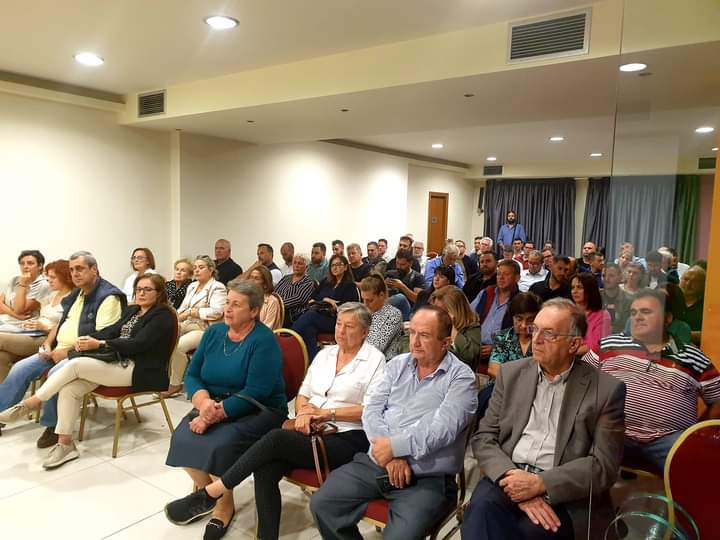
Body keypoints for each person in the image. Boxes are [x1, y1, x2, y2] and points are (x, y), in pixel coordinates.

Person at [164, 302, 385, 540]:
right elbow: (304, 392)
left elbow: (371, 409)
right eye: (339, 324)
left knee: (276, 438)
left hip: (346, 436)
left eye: (349, 326)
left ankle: (214, 491)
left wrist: (326, 414)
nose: (340, 330)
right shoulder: (326, 354)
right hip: (309, 428)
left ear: (364, 332)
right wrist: (303, 413)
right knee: (265, 468)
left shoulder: (375, 361)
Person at [463, 298, 626, 540]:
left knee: (532, 532)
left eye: (548, 334)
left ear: (574, 344)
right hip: (508, 474)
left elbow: (604, 465)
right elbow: (485, 437)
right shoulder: (511, 374)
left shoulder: (605, 390)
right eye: (535, 329)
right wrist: (513, 479)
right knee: (480, 512)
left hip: (563, 489)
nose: (536, 339)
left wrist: (541, 484)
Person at [310, 306, 478, 540]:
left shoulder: (462, 378)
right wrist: (389, 455)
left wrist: (394, 447)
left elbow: (441, 430)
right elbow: (371, 411)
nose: (415, 342)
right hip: (378, 463)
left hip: (427, 476)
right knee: (323, 504)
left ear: (445, 343)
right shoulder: (397, 364)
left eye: (424, 335)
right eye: (412, 333)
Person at [0, 274, 175, 469]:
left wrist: (100, 344)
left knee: (75, 364)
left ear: (159, 293)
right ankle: (65, 445)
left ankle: (31, 403)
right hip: (117, 362)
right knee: (70, 389)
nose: (141, 293)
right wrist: (88, 339)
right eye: (139, 289)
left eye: (147, 289)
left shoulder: (162, 315)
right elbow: (112, 330)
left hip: (139, 369)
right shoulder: (133, 310)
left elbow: (138, 344)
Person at [165, 280, 288, 537]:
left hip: (258, 408)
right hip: (212, 403)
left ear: (253, 311)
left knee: (219, 443)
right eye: (227, 302)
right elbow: (193, 374)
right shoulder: (214, 333)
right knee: (182, 438)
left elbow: (257, 391)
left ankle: (223, 507)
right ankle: (208, 493)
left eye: (236, 304)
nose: (227, 309)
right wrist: (203, 403)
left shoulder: (264, 340)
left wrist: (211, 416)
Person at [583, 289, 720, 471]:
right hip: (612, 431)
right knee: (575, 450)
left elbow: (718, 399)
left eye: (646, 312)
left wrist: (696, 432)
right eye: (633, 313)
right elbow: (581, 380)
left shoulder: (692, 356)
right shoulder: (608, 345)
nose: (637, 317)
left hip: (669, 438)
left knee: (702, 469)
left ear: (667, 319)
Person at [0, 251, 125, 448]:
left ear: (94, 269)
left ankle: (53, 427)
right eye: (72, 269)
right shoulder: (77, 293)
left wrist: (67, 352)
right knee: (20, 368)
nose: (75, 273)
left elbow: (103, 336)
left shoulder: (108, 297)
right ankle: (2, 414)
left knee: (55, 375)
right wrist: (48, 344)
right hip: (58, 349)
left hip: (85, 355)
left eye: (80, 269)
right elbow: (61, 323)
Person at [0, 260, 72, 383]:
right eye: (48, 276)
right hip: (31, 334)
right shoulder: (52, 295)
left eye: (53, 277)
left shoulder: (73, 299)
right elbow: (19, 309)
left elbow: (70, 328)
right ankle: (4, 395)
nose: (49, 280)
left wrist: (45, 327)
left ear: (65, 277)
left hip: (47, 339)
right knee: (1, 357)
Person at [167, 256, 227, 396]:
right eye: (195, 268)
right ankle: (161, 379)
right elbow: (183, 307)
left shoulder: (217, 287)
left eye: (201, 267)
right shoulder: (192, 286)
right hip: (187, 323)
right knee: (163, 336)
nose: (197, 270)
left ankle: (175, 384)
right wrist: (176, 316)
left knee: (179, 346)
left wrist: (193, 312)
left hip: (205, 328)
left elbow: (217, 312)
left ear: (211, 270)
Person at [293, 254, 360, 360]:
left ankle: (290, 336)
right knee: (308, 329)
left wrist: (334, 305)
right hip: (320, 314)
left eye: (338, 265)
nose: (335, 267)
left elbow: (350, 308)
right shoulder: (326, 282)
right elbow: (313, 298)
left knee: (310, 316)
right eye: (332, 265)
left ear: (345, 267)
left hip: (337, 320)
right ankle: (314, 363)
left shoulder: (350, 286)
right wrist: (326, 300)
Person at [472, 260, 521, 362]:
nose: (501, 277)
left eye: (506, 274)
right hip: (476, 349)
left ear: (517, 278)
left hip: (503, 357)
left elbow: (523, 335)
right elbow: (469, 317)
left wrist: (498, 348)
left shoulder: (520, 300)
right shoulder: (486, 293)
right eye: (498, 274)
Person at [488, 292, 542, 379]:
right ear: (512, 317)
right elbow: (493, 369)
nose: (524, 325)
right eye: (519, 319)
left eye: (530, 320)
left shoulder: (542, 340)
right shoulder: (502, 337)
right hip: (503, 384)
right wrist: (517, 383)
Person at [430, 286, 482, 371]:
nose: (437, 314)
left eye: (442, 311)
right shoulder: (433, 324)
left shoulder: (472, 327)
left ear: (455, 311)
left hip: (459, 374)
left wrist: (453, 328)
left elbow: (469, 355)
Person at [0, 250, 50, 326]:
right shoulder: (14, 279)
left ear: (40, 266)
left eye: (30, 263)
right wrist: (15, 315)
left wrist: (22, 284)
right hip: (5, 320)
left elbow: (19, 310)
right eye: (22, 263)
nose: (25, 267)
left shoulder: (43, 284)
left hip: (22, 325)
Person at [359, 275, 403, 359]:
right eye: (363, 299)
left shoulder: (393, 314)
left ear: (381, 295)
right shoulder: (363, 312)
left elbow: (377, 347)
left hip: (384, 362)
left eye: (370, 300)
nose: (365, 304)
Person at [571, 273, 611, 353]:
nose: (574, 291)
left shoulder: (602, 315)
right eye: (572, 288)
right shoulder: (567, 312)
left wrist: (569, 352)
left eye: (579, 287)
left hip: (589, 357)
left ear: (590, 290)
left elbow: (596, 346)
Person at [274, 253, 316, 325]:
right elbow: (275, 292)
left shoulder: (309, 282)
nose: (296, 265)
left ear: (306, 267)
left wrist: (278, 304)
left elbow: (299, 298)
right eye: (294, 263)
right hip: (276, 310)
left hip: (292, 315)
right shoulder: (286, 278)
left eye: (300, 263)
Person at [385, 248, 425, 321]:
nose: (398, 267)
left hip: (409, 311)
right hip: (391, 310)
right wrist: (383, 285)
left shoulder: (417, 277)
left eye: (402, 264)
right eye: (397, 263)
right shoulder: (390, 274)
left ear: (410, 263)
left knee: (400, 298)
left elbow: (418, 300)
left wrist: (402, 286)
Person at [246, 266, 283, 330]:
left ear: (265, 284)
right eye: (251, 277)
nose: (251, 281)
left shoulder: (272, 301)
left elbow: (267, 328)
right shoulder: (245, 298)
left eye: (256, 278)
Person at [601, 263, 632, 333]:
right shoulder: (595, 297)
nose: (606, 279)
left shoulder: (629, 300)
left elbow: (627, 327)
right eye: (603, 275)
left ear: (620, 278)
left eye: (611, 276)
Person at [679, 265, 705, 343]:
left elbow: (711, 334)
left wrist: (682, 335)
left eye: (694, 282)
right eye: (686, 279)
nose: (688, 284)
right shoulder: (669, 300)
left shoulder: (707, 307)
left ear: (703, 284)